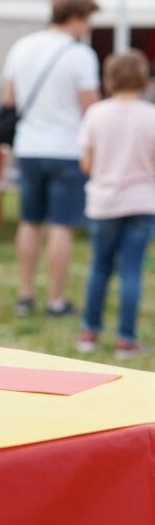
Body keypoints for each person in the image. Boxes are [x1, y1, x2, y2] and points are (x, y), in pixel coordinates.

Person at [0, 0, 100, 317]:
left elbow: (8, 97)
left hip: (28, 146)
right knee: (62, 225)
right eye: (87, 18)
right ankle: (56, 299)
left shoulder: (22, 45)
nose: (89, 26)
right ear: (73, 17)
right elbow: (91, 106)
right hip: (66, 147)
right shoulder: (81, 55)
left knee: (29, 221)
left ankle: (25, 294)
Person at [75, 51, 155, 360]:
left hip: (103, 201)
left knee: (99, 266)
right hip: (142, 201)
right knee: (131, 269)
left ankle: (89, 331)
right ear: (144, 78)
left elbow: (87, 162)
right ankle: (126, 339)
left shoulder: (96, 113)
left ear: (108, 79)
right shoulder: (150, 115)